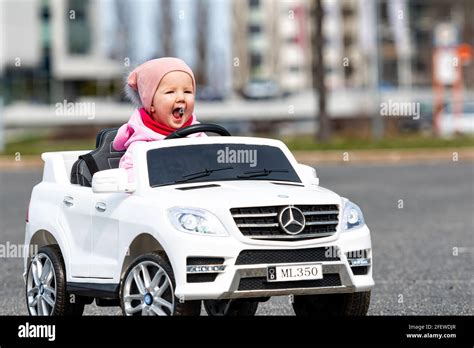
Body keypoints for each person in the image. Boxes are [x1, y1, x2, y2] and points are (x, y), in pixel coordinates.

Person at [113, 57, 206, 181]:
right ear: (151, 104)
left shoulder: (199, 136)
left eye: (188, 91)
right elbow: (130, 181)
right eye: (170, 92)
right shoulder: (141, 147)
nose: (181, 98)